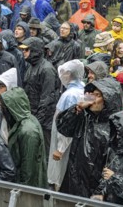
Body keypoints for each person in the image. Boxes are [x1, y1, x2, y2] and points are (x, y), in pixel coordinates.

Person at [56, 77, 123, 197]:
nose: (92, 99)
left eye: (97, 95)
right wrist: (77, 108)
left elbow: (113, 167)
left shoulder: (115, 130)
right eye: (92, 94)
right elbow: (63, 127)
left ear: (108, 100)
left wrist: (101, 193)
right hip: (72, 184)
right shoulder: (85, 118)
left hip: (93, 193)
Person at [0, 87, 48, 188]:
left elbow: (28, 170)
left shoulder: (28, 131)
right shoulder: (22, 123)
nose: (3, 112)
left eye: (5, 109)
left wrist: (22, 191)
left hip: (28, 188)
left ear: (13, 108)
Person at [47, 59, 85, 191]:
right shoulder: (83, 89)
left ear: (69, 74)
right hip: (75, 144)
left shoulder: (69, 95)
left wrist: (60, 148)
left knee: (60, 179)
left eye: (63, 73)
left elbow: (67, 125)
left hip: (64, 146)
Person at [20, 37, 60, 159]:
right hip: (33, 117)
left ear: (34, 50)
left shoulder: (46, 69)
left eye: (26, 49)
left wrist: (37, 121)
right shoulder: (31, 66)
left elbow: (47, 98)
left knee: (43, 152)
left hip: (44, 121)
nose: (23, 52)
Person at [91, 110, 123, 205]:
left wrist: (114, 178)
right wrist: (99, 193)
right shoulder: (115, 151)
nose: (116, 136)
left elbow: (111, 176)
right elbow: (106, 176)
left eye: (119, 133)